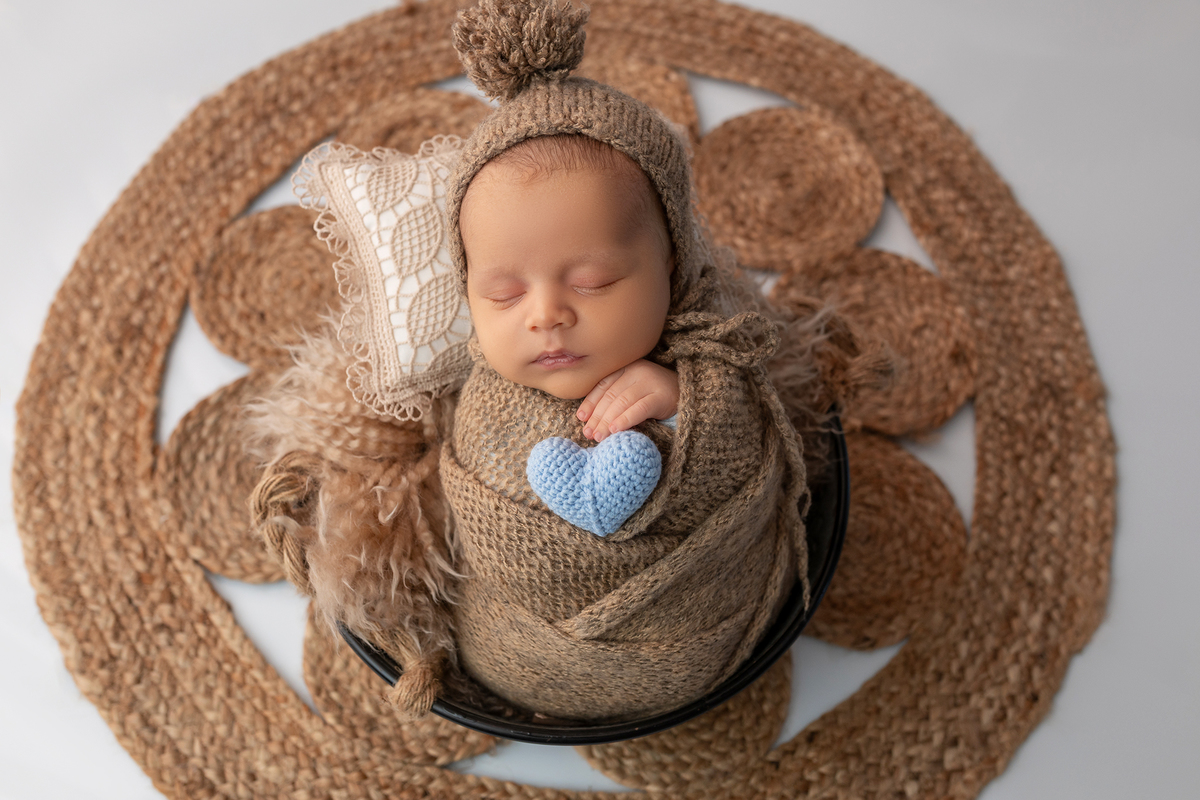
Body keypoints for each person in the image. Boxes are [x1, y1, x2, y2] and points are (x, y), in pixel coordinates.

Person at [459, 133, 680, 443]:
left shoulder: (714, 372)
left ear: (671, 264)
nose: (546, 316)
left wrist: (681, 405)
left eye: (592, 282)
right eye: (505, 294)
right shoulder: (480, 412)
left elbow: (755, 457)